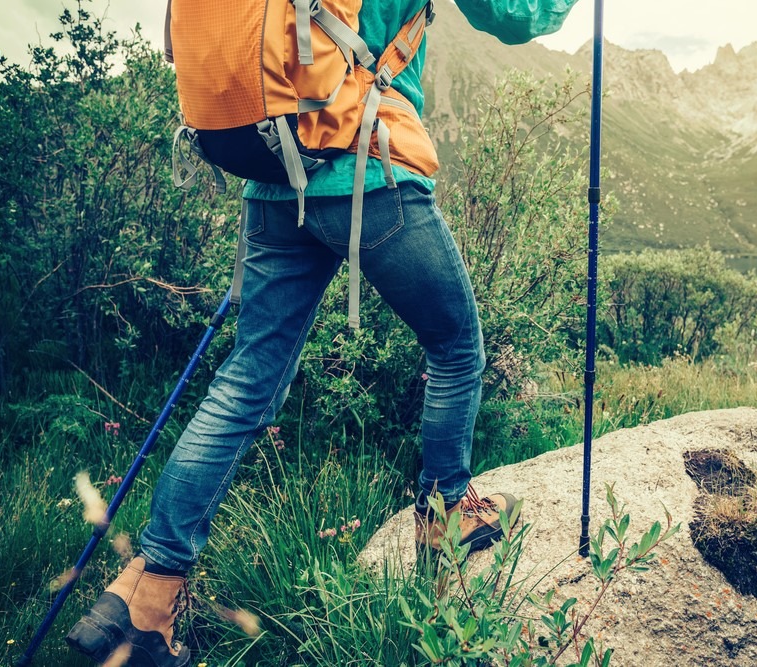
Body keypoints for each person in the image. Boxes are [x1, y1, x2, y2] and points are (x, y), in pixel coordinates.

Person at [66, 0, 579, 664]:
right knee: (455, 345)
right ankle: (449, 507)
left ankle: (152, 589)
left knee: (246, 380)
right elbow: (515, 15)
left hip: (275, 176)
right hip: (370, 164)